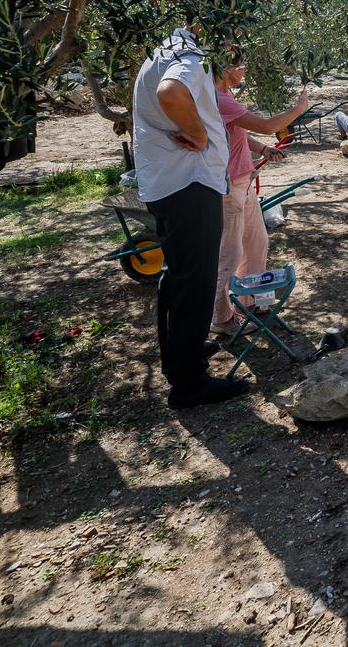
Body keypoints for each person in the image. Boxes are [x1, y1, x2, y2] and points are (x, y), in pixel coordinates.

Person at [131, 26, 247, 409]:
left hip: (169, 181)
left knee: (177, 277)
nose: (234, 47)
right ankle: (189, 382)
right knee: (194, 281)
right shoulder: (189, 57)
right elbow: (171, 92)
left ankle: (182, 356)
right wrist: (199, 136)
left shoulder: (166, 48)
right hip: (189, 181)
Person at [209, 62, 309, 336]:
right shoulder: (217, 99)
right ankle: (221, 318)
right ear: (224, 69)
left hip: (244, 180)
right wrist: (298, 110)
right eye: (241, 66)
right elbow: (267, 125)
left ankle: (248, 300)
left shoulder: (227, 97)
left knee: (256, 240)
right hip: (229, 186)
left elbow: (239, 132)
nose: (246, 70)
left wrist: (263, 148)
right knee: (229, 253)